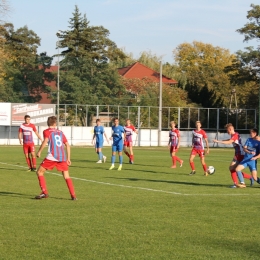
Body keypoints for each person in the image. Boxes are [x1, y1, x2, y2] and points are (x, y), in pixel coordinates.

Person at [35, 116, 76, 200]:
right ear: (55, 123)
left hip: (52, 156)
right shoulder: (60, 132)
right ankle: (73, 196)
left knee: (39, 172)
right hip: (62, 157)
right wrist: (68, 158)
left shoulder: (46, 131)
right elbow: (67, 145)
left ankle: (44, 192)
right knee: (67, 176)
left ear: (48, 123)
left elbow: (45, 141)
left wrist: (39, 151)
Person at [213, 123, 252, 188]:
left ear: (230, 129)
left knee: (234, 169)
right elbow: (229, 140)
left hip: (240, 154)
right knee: (233, 169)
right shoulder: (234, 135)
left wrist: (218, 142)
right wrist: (219, 140)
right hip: (237, 154)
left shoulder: (235, 135)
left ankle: (240, 183)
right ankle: (245, 179)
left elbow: (229, 142)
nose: (227, 132)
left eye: (227, 130)